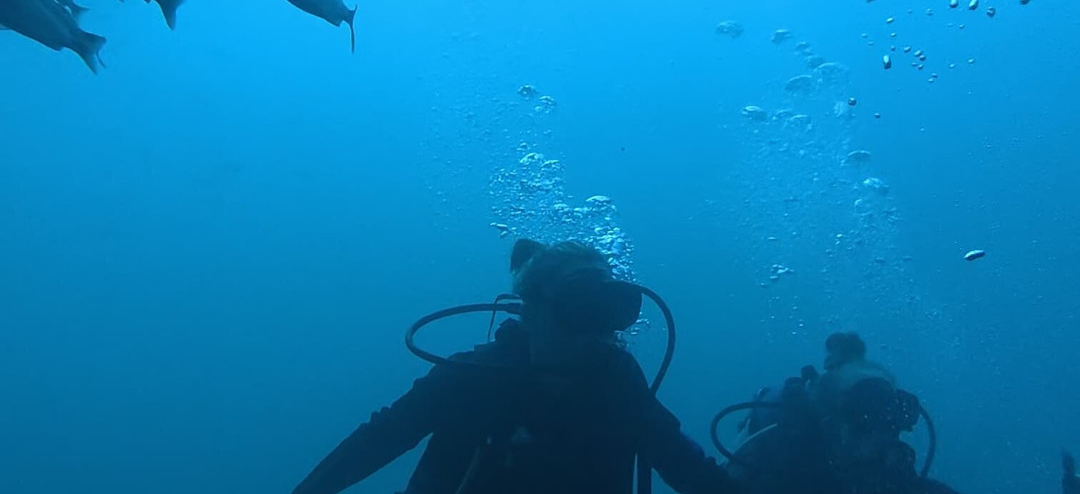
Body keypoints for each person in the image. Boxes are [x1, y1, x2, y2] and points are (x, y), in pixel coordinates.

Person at [291, 239, 742, 494]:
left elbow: (690, 470)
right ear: (531, 312)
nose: (598, 331)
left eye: (609, 310)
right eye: (579, 307)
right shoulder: (470, 378)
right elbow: (376, 440)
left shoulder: (619, 388)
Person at [720, 332, 964, 494]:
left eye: (891, 429)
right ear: (835, 423)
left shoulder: (888, 475)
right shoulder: (788, 461)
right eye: (867, 429)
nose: (888, 446)